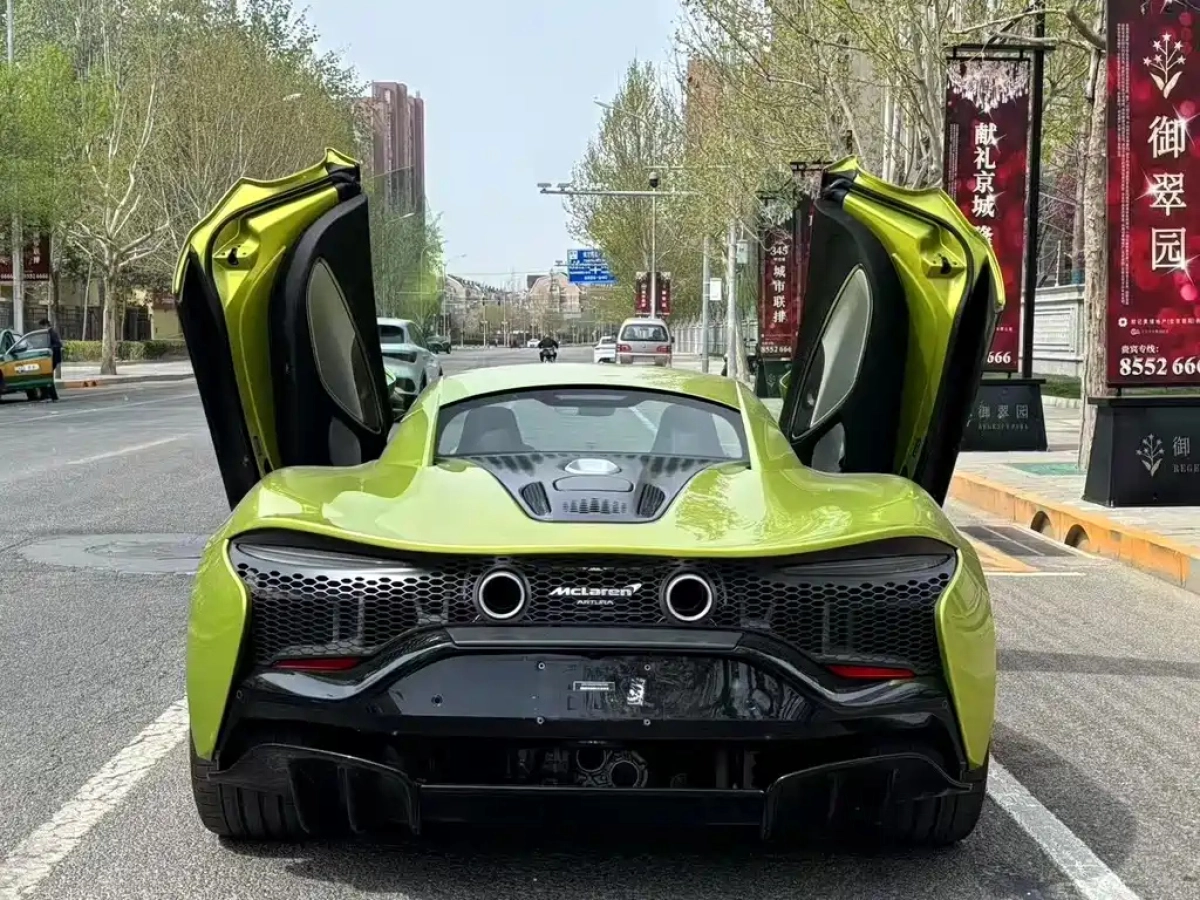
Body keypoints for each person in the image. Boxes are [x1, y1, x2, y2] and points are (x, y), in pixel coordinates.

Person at [39, 318, 62, 402]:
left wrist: (49, 349)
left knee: (45, 377)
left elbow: (58, 344)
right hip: (49, 359)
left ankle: (49, 396)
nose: (41, 328)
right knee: (45, 377)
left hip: (52, 359)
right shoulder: (49, 333)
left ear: (45, 325)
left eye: (42, 326)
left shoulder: (51, 333)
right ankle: (48, 395)